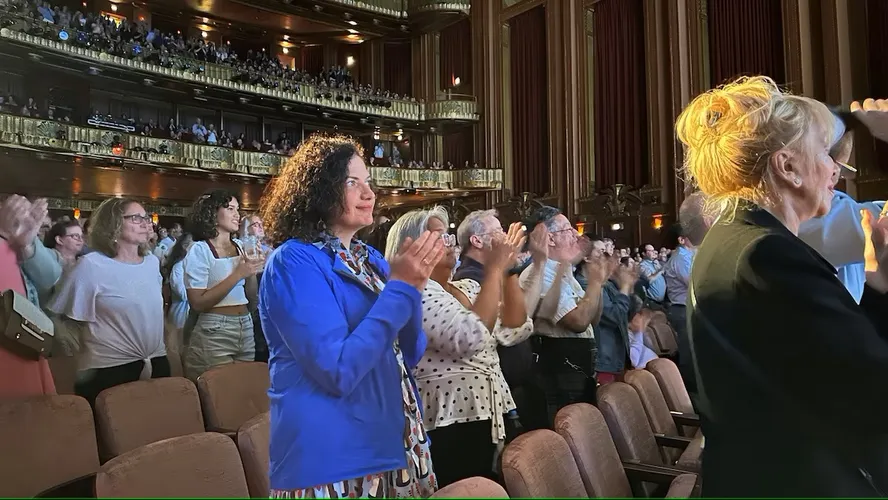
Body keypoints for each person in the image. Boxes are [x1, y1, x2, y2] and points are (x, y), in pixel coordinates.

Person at [676, 76, 888, 496]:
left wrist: (878, 288)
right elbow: (875, 394)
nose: (834, 170)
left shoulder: (738, 237)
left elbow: (833, 366)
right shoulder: (764, 254)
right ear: (787, 166)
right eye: (825, 156)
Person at [258, 135, 444, 497]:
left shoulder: (370, 259)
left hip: (393, 434)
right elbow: (338, 370)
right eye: (352, 182)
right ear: (319, 190)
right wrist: (401, 288)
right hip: (332, 451)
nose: (368, 193)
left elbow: (409, 351)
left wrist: (414, 286)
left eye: (369, 182)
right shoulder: (293, 261)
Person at [386, 208, 533, 487]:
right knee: (467, 488)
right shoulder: (416, 292)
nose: (450, 243)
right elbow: (470, 337)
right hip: (450, 420)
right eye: (439, 237)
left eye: (449, 236)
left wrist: (509, 270)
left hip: (489, 410)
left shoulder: (464, 287)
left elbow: (516, 327)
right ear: (412, 246)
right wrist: (494, 268)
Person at [49, 197, 168, 407]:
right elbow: (64, 321)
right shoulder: (91, 265)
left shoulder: (151, 262)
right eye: (135, 218)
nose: (145, 223)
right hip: (109, 369)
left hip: (156, 362)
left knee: (157, 431)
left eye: (145, 217)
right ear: (113, 223)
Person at [183, 190, 263, 381]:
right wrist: (238, 274)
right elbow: (198, 302)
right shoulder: (200, 250)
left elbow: (251, 297)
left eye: (238, 209)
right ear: (213, 214)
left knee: (242, 389)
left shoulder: (240, 246)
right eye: (230, 209)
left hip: (244, 323)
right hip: (215, 328)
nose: (237, 215)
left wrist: (252, 272)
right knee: (218, 391)